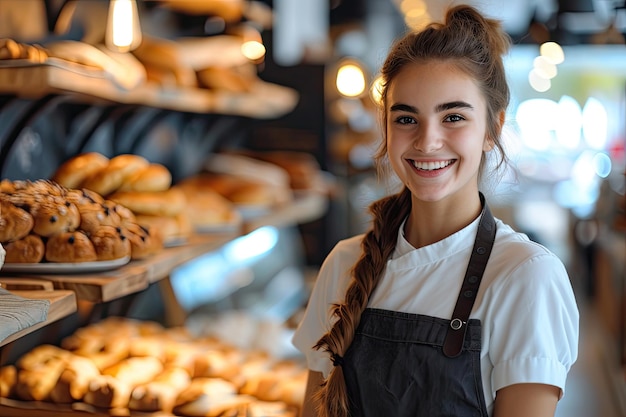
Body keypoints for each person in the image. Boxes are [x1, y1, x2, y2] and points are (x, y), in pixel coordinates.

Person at [292, 4, 579, 417]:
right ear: (386, 128)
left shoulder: (526, 276)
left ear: (492, 129)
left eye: (454, 117)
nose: (427, 142)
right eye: (406, 118)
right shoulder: (344, 263)